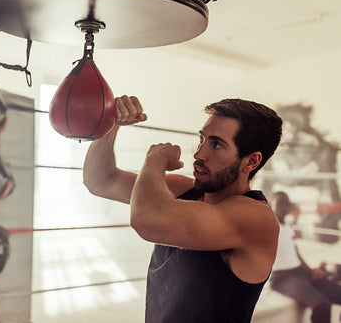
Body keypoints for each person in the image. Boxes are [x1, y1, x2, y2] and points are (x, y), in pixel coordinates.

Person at [83, 95, 283, 322]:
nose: (199, 154)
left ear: (251, 162)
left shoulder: (255, 218)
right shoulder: (184, 191)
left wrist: (155, 159)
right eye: (202, 139)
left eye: (217, 144)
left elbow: (148, 220)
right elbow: (100, 180)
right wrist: (111, 124)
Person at [270, 191, 341, 323]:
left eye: (285, 204)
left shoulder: (287, 229)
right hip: (282, 276)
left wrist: (311, 271)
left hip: (300, 271)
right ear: (272, 205)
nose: (283, 207)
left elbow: (296, 254)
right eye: (279, 203)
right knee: (322, 306)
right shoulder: (267, 227)